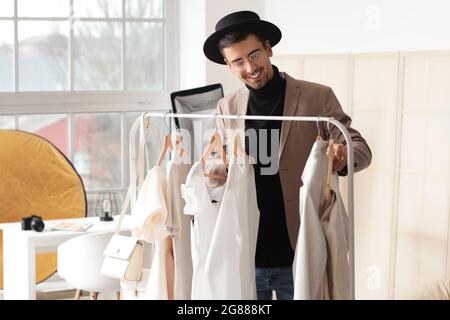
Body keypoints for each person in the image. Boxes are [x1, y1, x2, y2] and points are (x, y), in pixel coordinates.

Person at [203, 10, 372, 300]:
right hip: (246, 253)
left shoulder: (317, 97)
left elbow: (360, 148)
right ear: (228, 66)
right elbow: (213, 172)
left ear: (268, 49)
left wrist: (342, 154)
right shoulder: (226, 107)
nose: (250, 67)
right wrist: (218, 167)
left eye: (254, 55)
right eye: (238, 62)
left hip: (300, 250)